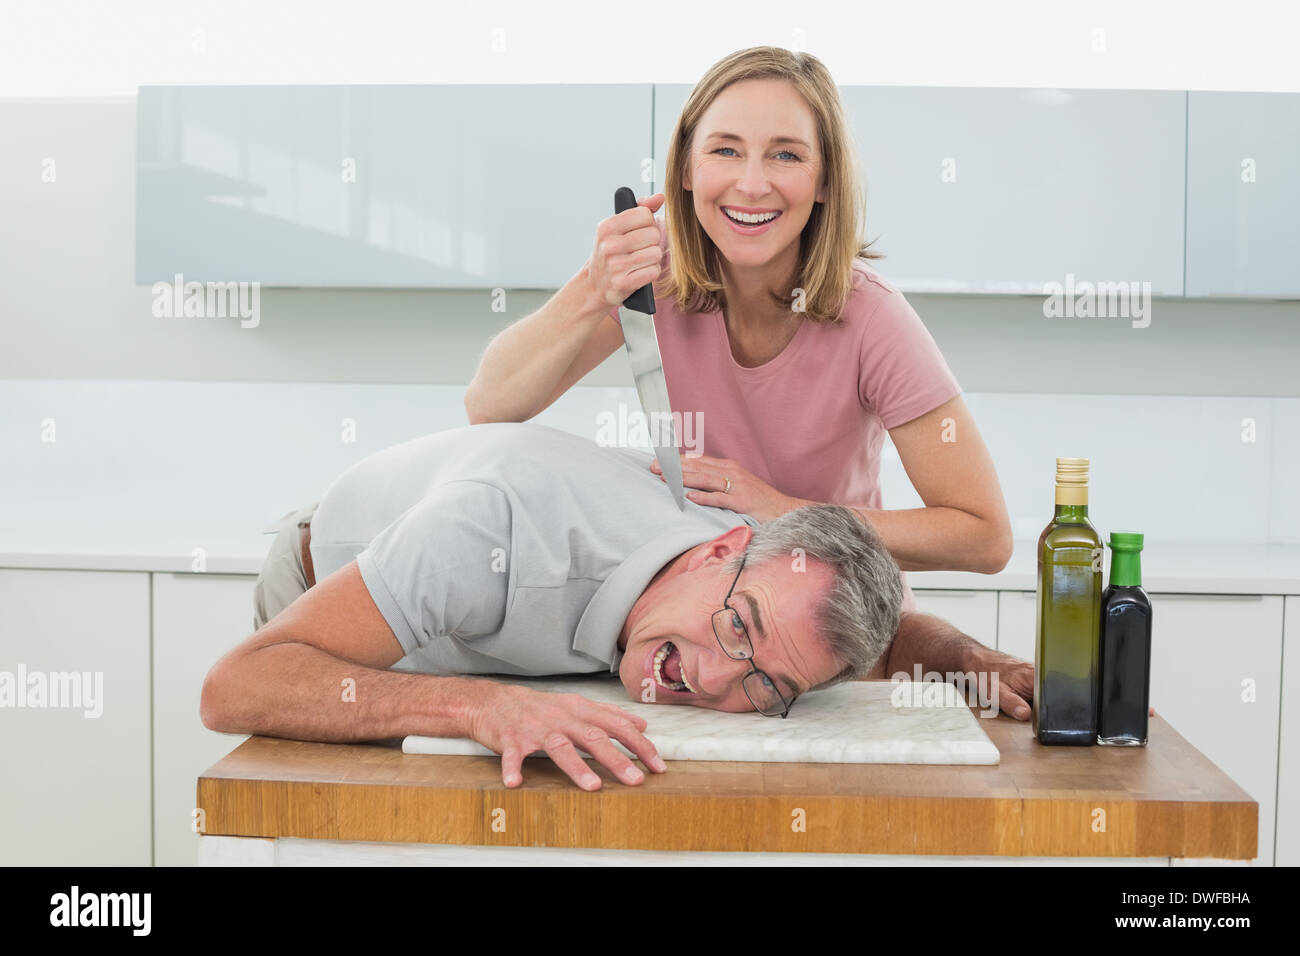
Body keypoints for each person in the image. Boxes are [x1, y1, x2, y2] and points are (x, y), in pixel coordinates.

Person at [464, 45, 1014, 615]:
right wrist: (590, 287)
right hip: (713, 614)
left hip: (843, 624)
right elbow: (490, 405)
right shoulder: (656, 278)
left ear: (825, 181)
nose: (752, 185)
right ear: (685, 168)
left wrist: (782, 511)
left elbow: (984, 536)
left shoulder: (872, 316)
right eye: (725, 150)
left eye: (786, 155)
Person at [203, 422, 1027, 791]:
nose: (709, 680)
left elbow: (858, 642)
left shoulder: (754, 573)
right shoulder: (496, 528)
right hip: (328, 590)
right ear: (717, 551)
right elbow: (238, 685)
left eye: (766, 687)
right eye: (738, 628)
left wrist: (967, 659)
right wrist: (477, 703)